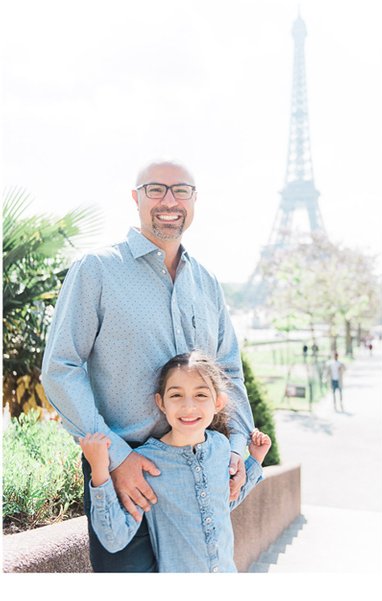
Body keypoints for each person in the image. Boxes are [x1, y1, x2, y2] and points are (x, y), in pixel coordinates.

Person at [41, 159, 256, 572]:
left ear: (195, 201)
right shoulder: (98, 270)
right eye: (156, 189)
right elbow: (61, 367)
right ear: (135, 198)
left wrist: (235, 448)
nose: (169, 201)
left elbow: (228, 371)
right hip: (127, 472)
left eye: (181, 191)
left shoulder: (206, 282)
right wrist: (117, 457)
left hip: (196, 467)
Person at [78, 352, 271, 572]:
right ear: (161, 402)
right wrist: (100, 471)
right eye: (176, 395)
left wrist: (255, 460)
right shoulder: (147, 463)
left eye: (200, 395)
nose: (188, 407)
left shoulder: (221, 447)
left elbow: (224, 503)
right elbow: (114, 538)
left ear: (218, 402)